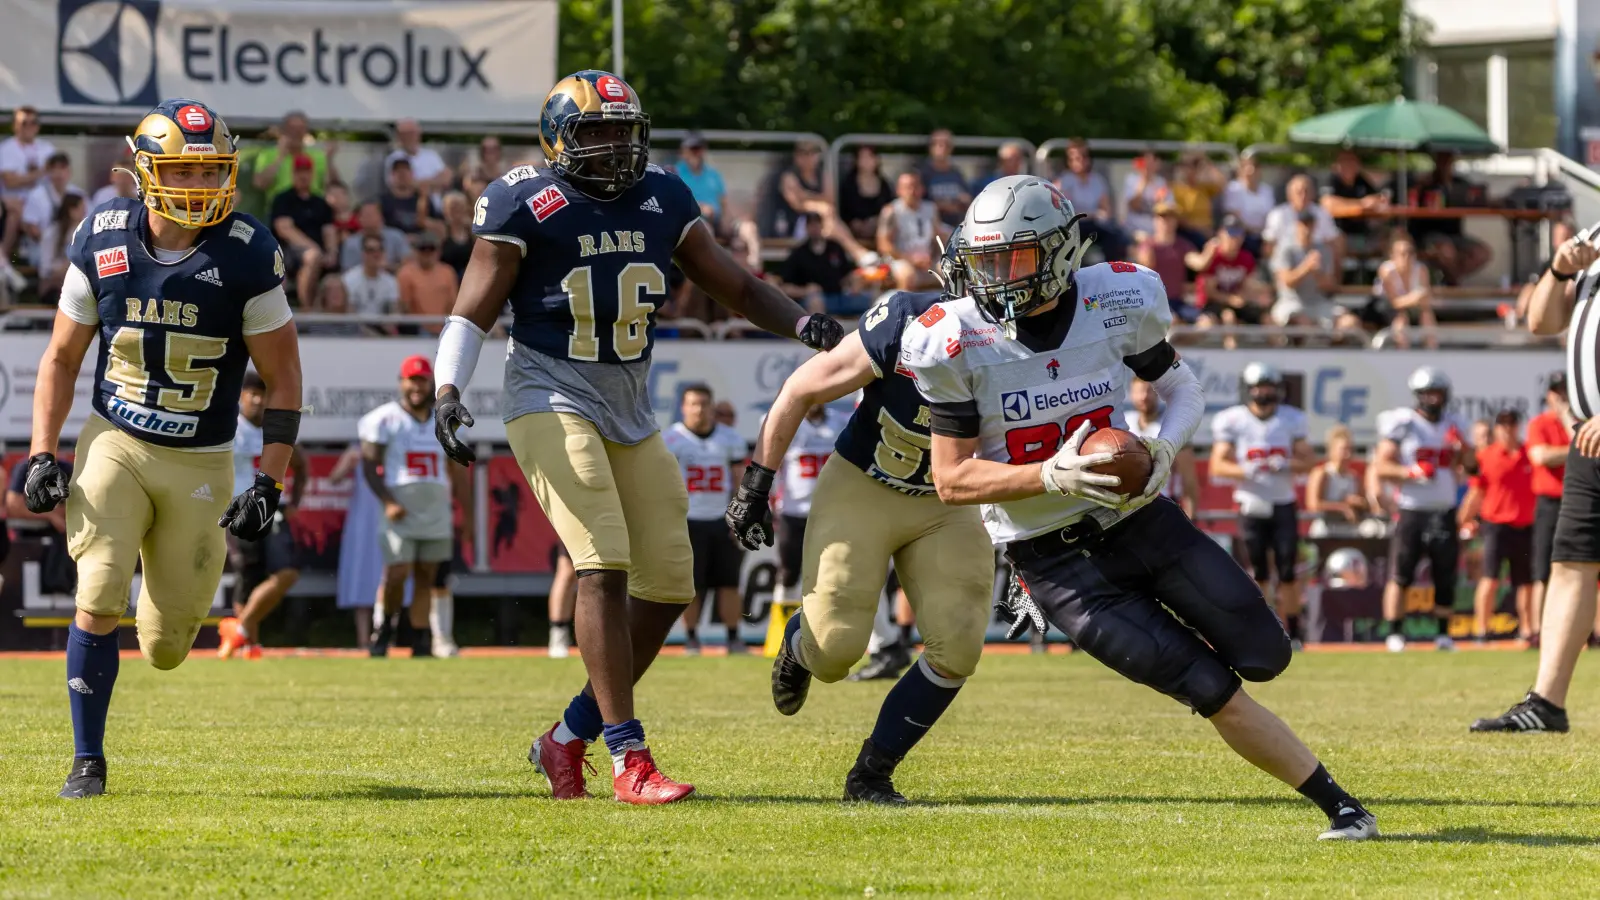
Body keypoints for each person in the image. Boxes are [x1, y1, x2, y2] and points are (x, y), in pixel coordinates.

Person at [897, 174, 1376, 840]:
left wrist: (1164, 450)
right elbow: (951, 480)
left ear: (1061, 252)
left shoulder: (1116, 297)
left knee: (1267, 653)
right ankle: (1343, 807)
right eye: (985, 258)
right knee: (1208, 686)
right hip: (1056, 564)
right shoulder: (953, 337)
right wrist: (1051, 474)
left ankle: (1341, 802)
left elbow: (1181, 388)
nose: (995, 275)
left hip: (1140, 520)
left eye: (1014, 257)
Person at [428, 70, 843, 805]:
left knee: (670, 581)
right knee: (603, 562)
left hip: (628, 405)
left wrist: (802, 322)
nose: (615, 146)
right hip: (549, 393)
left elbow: (738, 285)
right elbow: (471, 310)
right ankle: (629, 759)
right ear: (559, 136)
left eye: (624, 131)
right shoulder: (526, 199)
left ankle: (565, 738)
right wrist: (448, 388)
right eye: (597, 133)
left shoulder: (664, 196)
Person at [22, 98, 302, 799]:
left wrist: (269, 482)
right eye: (183, 170)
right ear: (144, 171)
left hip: (201, 460)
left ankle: (162, 612)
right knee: (99, 583)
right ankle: (88, 759)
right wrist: (40, 453)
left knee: (168, 647)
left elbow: (284, 374)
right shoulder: (102, 237)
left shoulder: (247, 251)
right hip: (115, 440)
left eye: (210, 173)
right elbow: (60, 359)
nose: (199, 187)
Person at [726, 276, 994, 802]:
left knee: (959, 645)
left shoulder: (1033, 344)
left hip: (946, 501)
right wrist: (756, 485)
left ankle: (873, 771)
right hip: (863, 485)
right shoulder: (905, 320)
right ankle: (800, 644)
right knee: (834, 653)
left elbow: (1026, 454)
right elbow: (801, 388)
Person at [1473, 235, 1600, 732]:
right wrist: (1559, 270)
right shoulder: (1592, 237)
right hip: (1588, 442)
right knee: (1572, 563)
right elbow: (1541, 322)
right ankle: (1547, 702)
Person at [359, 356, 469, 658]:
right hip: (401, 508)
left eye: (422, 380)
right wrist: (389, 501)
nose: (416, 386)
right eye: (411, 379)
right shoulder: (384, 419)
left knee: (427, 575)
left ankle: (420, 637)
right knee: (397, 572)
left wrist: (467, 515)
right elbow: (369, 466)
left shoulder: (444, 421)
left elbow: (458, 471)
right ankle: (385, 627)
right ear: (401, 383)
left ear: (431, 383)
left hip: (435, 509)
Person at [1209, 364, 1315, 646]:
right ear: (1248, 389)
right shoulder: (1234, 420)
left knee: (1288, 570)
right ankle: (1263, 630)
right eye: (1258, 387)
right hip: (1250, 503)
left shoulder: (1291, 419)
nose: (1263, 392)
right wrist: (1246, 470)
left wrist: (1287, 463)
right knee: (1258, 571)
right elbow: (1218, 464)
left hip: (1283, 502)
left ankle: (1294, 631)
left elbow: (1309, 461)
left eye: (1268, 387)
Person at [1371, 367, 1474, 653]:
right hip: (1412, 509)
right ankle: (1395, 632)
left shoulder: (1455, 424)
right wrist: (1411, 472)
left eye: (1437, 393)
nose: (1433, 399)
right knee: (1401, 574)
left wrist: (1462, 448)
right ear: (1418, 396)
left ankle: (1443, 635)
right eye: (1428, 393)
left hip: (1444, 508)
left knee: (1445, 576)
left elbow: (1473, 466)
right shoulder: (1404, 423)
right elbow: (1381, 466)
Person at [216, 370, 308, 659]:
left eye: (262, 394)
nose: (257, 399)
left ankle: (239, 629)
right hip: (240, 511)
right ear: (241, 396)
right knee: (248, 579)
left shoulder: (276, 428)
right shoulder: (228, 426)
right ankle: (251, 646)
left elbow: (301, 465)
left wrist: (295, 501)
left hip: (272, 508)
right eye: (251, 393)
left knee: (288, 572)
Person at [662, 384, 748, 654]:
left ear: (712, 407)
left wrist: (738, 517)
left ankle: (733, 637)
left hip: (721, 519)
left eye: (704, 404)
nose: (699, 409)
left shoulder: (729, 438)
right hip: (688, 520)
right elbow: (661, 485)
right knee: (692, 585)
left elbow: (738, 480)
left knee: (729, 583)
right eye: (693, 404)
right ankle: (691, 637)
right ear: (683, 407)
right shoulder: (671, 439)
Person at [767, 402, 852, 612]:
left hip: (831, 512)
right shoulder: (788, 421)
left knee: (835, 572)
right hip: (793, 511)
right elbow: (772, 464)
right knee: (788, 573)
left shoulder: (841, 421)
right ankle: (782, 626)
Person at [1459, 409, 1535, 643]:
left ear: (1517, 426)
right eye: (1503, 425)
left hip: (1525, 525)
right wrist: (1463, 519)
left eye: (1512, 424)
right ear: (1497, 429)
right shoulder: (1487, 456)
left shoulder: (1529, 454)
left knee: (1526, 584)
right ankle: (1482, 629)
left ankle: (1528, 630)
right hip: (1496, 526)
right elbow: (1476, 491)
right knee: (1490, 579)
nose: (1507, 429)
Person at [1525, 372, 1575, 647]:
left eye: (1565, 391)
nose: (1561, 397)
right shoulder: (1538, 423)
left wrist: (1568, 420)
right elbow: (1540, 456)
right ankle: (1536, 630)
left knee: (1581, 568)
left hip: (1576, 500)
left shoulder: (1578, 422)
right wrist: (1572, 450)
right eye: (1557, 391)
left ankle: (1587, 631)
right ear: (1548, 395)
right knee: (1541, 570)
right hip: (1548, 503)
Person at [1402, 151, 1491, 286]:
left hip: (1455, 234)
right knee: (1447, 251)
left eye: (1449, 161)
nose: (1445, 165)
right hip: (1429, 233)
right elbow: (1413, 206)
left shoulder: (1460, 183)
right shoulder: (1425, 183)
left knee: (1481, 253)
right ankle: (1454, 283)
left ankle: (1450, 279)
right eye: (1442, 161)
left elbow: (1475, 198)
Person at [1123, 378, 1200, 519]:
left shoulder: (1172, 427)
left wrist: (1191, 516)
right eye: (1139, 391)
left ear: (1158, 394)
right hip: (1127, 505)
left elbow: (1188, 477)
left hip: (1162, 502)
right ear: (1131, 394)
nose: (1144, 396)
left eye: (1149, 391)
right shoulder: (1124, 424)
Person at [1184, 215, 1268, 337]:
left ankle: (1280, 351)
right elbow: (1210, 292)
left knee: (1266, 318)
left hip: (1236, 301)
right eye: (1231, 233)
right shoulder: (1213, 256)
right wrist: (1231, 299)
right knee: (1229, 317)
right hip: (1212, 304)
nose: (1235, 239)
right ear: (1221, 234)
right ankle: (1231, 352)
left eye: (1238, 234)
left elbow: (1248, 284)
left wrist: (1255, 293)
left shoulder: (1246, 257)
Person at [269, 155, 336, 305]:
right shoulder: (283, 199)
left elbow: (329, 230)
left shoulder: (321, 202)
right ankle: (307, 308)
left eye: (306, 171)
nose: (303, 176)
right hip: (287, 251)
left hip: (317, 251)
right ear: (293, 174)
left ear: (312, 174)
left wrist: (332, 251)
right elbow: (284, 229)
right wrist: (313, 247)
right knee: (312, 257)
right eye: (299, 171)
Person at [1358, 233, 1438, 349]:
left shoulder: (1421, 269)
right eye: (1402, 253)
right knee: (1401, 320)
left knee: (1427, 315)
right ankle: (1403, 353)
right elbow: (1394, 302)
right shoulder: (1386, 270)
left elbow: (1426, 299)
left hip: (1410, 307)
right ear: (1393, 256)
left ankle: (1432, 351)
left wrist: (1416, 299)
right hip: (1383, 308)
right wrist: (1415, 297)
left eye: (1410, 252)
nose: (1407, 257)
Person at [1055, 138, 1125, 262]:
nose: (1081, 161)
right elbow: (1067, 213)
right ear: (1069, 161)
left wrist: (1095, 215)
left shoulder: (1097, 180)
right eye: (1076, 158)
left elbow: (1105, 210)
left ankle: (1111, 271)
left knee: (1115, 237)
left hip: (1094, 225)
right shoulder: (1063, 182)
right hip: (1074, 226)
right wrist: (1093, 214)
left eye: (1083, 156)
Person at [1270, 211, 1338, 327]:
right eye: (1304, 224)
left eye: (1310, 224)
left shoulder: (1323, 250)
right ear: (1297, 225)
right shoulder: (1285, 250)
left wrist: (1317, 273)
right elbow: (1288, 282)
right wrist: (1306, 267)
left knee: (1348, 323)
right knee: (1301, 322)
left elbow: (1329, 287)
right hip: (1291, 302)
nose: (1307, 228)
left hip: (1319, 303)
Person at [1319, 150, 1388, 264]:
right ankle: (1340, 281)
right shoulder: (1332, 180)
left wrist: (1372, 202)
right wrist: (1361, 203)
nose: (1349, 166)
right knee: (1337, 241)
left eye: (1352, 162)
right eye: (1345, 162)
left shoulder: (1361, 180)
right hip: (1340, 234)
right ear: (1337, 165)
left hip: (1364, 233)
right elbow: (1327, 203)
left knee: (1394, 236)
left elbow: (1378, 198)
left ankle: (1386, 278)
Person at [877, 171, 942, 291]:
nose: (912, 191)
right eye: (907, 187)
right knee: (907, 275)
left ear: (922, 189)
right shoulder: (891, 211)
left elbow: (937, 239)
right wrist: (911, 259)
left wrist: (930, 257)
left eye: (915, 186)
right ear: (899, 190)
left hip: (927, 259)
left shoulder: (931, 209)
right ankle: (905, 308)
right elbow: (884, 245)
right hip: (900, 260)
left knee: (951, 271)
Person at [1306, 425, 1371, 539]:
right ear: (1332, 450)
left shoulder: (1354, 477)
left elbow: (1365, 503)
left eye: (1350, 449)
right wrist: (1342, 507)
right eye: (1344, 449)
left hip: (1349, 531)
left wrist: (1358, 502)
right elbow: (1313, 504)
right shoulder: (1322, 473)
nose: (1348, 454)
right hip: (1326, 531)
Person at [1133, 202, 1195, 305]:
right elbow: (1144, 265)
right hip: (1154, 302)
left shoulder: (1183, 245)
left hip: (1177, 301)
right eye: (1162, 218)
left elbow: (1196, 261)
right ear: (1155, 221)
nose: (1166, 222)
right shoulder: (1147, 245)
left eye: (1170, 218)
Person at [396, 231, 459, 329]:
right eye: (423, 249)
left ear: (438, 251)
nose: (427, 253)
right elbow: (405, 307)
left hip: (444, 327)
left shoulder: (448, 272)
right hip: (416, 330)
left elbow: (452, 303)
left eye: (431, 249)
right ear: (416, 251)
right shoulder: (405, 273)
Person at [1220, 155, 1276, 255]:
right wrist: (1252, 230)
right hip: (1242, 235)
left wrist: (1266, 234)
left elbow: (1271, 215)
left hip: (1264, 235)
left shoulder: (1267, 190)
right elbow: (1234, 215)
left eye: (1254, 170)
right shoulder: (1233, 189)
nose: (1251, 174)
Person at [918, 129, 972, 228]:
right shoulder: (922, 174)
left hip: (958, 224)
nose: (942, 148)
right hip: (932, 226)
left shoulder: (956, 173)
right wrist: (943, 206)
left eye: (946, 145)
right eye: (938, 144)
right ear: (931, 147)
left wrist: (964, 201)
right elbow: (918, 202)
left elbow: (966, 196)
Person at [1170, 152, 1225, 248]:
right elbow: (1180, 219)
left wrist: (1208, 164)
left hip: (1208, 232)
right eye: (1187, 167)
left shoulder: (1204, 188)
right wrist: (1201, 229)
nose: (1190, 171)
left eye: (1194, 167)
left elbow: (1222, 183)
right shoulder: (1176, 189)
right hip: (1190, 234)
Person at [838, 145, 892, 241]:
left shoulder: (884, 185)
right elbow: (843, 209)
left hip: (880, 231)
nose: (866, 161)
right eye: (862, 157)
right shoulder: (848, 184)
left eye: (869, 157)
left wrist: (877, 221)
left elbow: (889, 207)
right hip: (852, 233)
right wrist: (854, 223)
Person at [338, 201, 411, 273]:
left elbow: (408, 263)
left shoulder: (396, 236)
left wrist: (388, 267)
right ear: (358, 219)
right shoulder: (350, 243)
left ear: (381, 217)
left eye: (371, 215)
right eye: (365, 215)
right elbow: (347, 271)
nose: (369, 218)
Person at [673, 133, 725, 226]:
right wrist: (700, 208)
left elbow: (723, 202)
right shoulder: (675, 173)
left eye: (698, 149)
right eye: (692, 149)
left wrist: (727, 221)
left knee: (746, 228)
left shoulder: (713, 174)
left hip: (716, 220)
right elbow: (673, 201)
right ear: (683, 151)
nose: (695, 153)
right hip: (688, 222)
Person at [1120, 150, 1168, 238]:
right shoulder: (1131, 180)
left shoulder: (1161, 182)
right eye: (1146, 161)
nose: (1149, 165)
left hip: (1155, 231)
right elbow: (1134, 205)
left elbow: (1164, 209)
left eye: (1152, 161)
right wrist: (1144, 181)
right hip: (1134, 230)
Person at [438, 191, 474, 280]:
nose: (457, 211)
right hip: (446, 279)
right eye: (453, 207)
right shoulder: (441, 230)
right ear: (445, 210)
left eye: (460, 207)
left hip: (469, 278)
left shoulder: (472, 230)